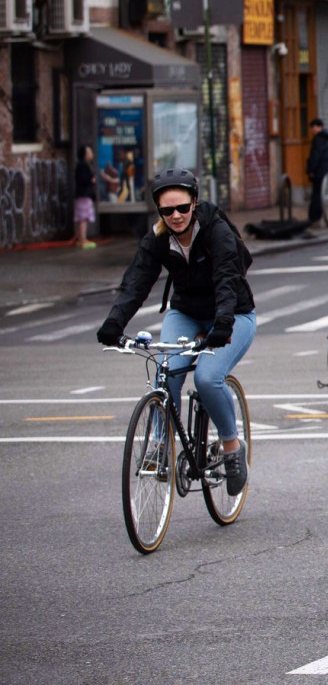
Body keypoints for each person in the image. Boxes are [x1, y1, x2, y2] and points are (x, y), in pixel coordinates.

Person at [96, 167, 255, 496]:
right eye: (167, 210)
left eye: (182, 207)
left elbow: (227, 279)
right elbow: (136, 282)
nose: (176, 215)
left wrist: (223, 323)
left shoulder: (215, 231)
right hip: (186, 312)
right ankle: (159, 446)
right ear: (159, 210)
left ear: (194, 202)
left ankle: (231, 447)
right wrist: (114, 322)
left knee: (207, 378)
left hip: (233, 314)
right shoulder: (158, 238)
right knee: (165, 373)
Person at [305, 118, 328, 228]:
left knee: (316, 195)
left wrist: (311, 170)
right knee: (321, 194)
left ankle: (314, 218)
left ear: (317, 127)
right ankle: (319, 216)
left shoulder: (318, 139)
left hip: (319, 171)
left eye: (313, 128)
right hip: (326, 170)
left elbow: (315, 156)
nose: (312, 130)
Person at [73, 145, 98, 249]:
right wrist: (92, 180)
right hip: (84, 195)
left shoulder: (83, 165)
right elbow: (84, 179)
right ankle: (83, 240)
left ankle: (81, 239)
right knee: (83, 218)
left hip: (82, 195)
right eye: (89, 152)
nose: (91, 154)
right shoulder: (83, 166)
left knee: (82, 218)